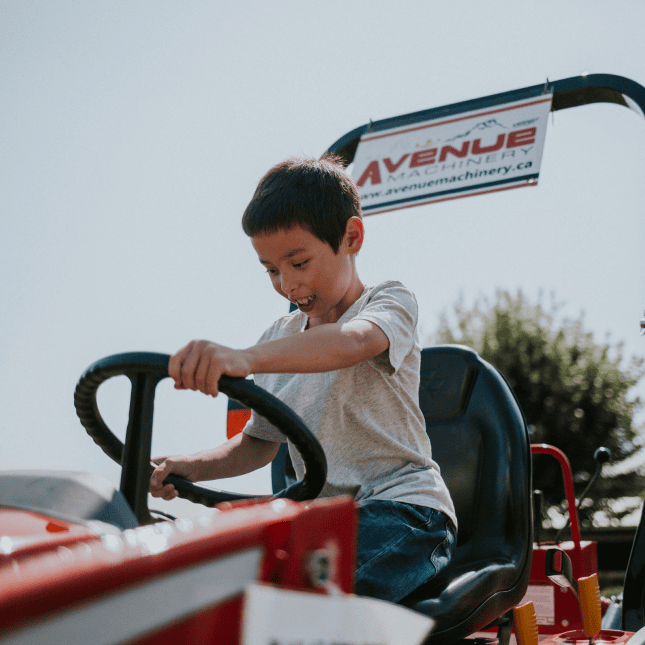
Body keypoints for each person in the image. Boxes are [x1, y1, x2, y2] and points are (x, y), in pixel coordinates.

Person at [149, 155, 457, 603]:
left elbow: (351, 343)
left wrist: (246, 359)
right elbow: (257, 442)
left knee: (302, 603)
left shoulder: (389, 303)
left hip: (407, 514)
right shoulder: (280, 338)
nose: (287, 285)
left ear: (351, 237)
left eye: (298, 262)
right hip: (327, 524)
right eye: (272, 270)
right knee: (220, 587)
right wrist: (190, 466)